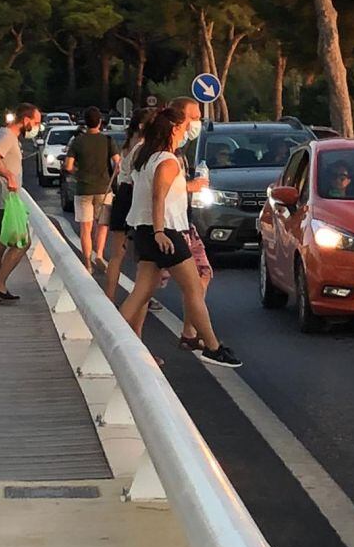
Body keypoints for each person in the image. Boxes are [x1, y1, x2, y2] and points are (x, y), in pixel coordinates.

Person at [118, 107, 241, 368]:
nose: (190, 129)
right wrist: (161, 231)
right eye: (187, 124)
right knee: (193, 288)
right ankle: (212, 346)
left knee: (141, 292)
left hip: (144, 230)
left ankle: (111, 340)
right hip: (165, 233)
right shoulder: (167, 160)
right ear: (174, 128)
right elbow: (158, 197)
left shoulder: (145, 156)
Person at [0, 103, 41, 303]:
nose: (36, 127)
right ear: (25, 120)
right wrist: (9, 175)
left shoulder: (5, 135)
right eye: (35, 122)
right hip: (4, 201)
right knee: (22, 242)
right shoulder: (7, 136)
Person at [169, 96, 213, 351]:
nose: (197, 123)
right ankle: (210, 343)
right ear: (179, 120)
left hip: (183, 224)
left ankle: (190, 331)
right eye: (194, 117)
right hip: (169, 229)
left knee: (201, 275)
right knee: (145, 290)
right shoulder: (165, 152)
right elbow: (158, 190)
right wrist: (191, 186)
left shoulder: (180, 151)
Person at [104, 108, 155, 303]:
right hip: (134, 195)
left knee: (117, 254)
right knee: (143, 254)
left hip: (122, 195)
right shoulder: (143, 146)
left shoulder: (126, 144)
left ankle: (109, 297)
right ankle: (142, 297)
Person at [64, 107, 121, 273]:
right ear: (100, 122)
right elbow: (118, 163)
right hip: (104, 189)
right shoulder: (108, 141)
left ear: (85, 122)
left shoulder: (78, 141)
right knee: (102, 225)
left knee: (85, 227)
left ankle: (87, 263)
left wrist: (78, 172)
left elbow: (68, 166)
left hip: (83, 189)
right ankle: (100, 255)